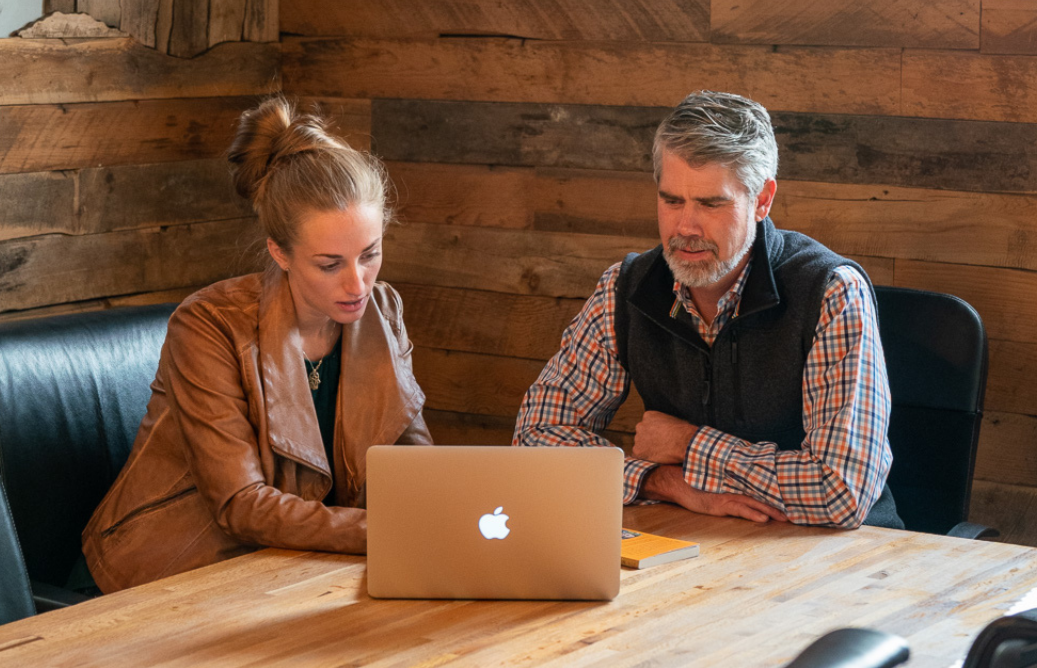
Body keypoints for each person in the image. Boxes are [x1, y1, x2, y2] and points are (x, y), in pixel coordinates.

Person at [82, 96, 431, 593]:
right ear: (279, 252)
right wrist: (392, 531)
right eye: (330, 264)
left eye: (369, 254)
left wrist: (450, 518)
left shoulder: (383, 310)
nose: (358, 284)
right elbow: (241, 505)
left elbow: (412, 466)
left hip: (296, 571)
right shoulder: (208, 325)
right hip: (170, 575)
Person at [514, 90, 901, 529]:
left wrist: (688, 444)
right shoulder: (626, 288)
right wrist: (662, 481)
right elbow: (535, 440)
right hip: (698, 544)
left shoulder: (832, 293)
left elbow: (840, 491)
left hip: (838, 563)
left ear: (762, 200)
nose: (685, 227)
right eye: (671, 201)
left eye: (711, 204)